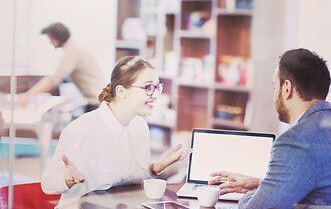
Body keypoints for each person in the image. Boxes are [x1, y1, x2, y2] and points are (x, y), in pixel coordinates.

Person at [41, 56, 191, 209]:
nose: (155, 94)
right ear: (121, 91)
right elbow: (47, 184)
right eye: (148, 87)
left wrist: (156, 167)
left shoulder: (140, 126)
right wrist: (67, 180)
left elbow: (132, 181)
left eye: (157, 87)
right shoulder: (81, 129)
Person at [208, 48, 331, 208]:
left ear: (287, 88)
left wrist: (252, 195)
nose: (274, 95)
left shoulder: (296, 141)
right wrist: (262, 184)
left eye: (275, 87)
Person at [18, 22, 106, 112]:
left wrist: (28, 95)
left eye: (50, 38)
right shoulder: (73, 49)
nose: (50, 42)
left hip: (96, 103)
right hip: (96, 101)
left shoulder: (72, 52)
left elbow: (54, 79)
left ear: (57, 37)